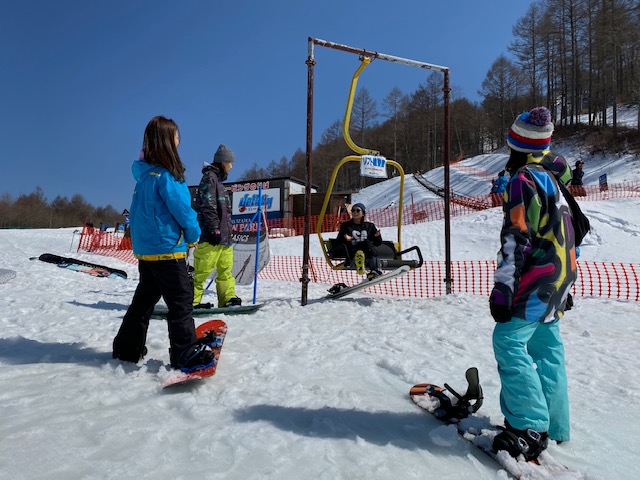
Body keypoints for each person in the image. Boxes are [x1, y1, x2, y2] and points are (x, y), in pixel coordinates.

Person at [489, 106, 577, 461]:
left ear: (515, 144)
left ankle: (528, 426)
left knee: (508, 340)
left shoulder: (523, 180)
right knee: (546, 346)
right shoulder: (554, 179)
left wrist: (503, 289)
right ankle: (556, 426)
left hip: (537, 277)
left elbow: (516, 237)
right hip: (561, 276)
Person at [113, 116, 214, 371]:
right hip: (169, 252)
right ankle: (185, 353)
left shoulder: (144, 177)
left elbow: (136, 215)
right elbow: (184, 211)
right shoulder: (168, 177)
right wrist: (193, 235)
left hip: (148, 254)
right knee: (181, 302)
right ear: (168, 141)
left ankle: (127, 347)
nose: (180, 140)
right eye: (177, 136)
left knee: (143, 302)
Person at [192, 144, 242, 308]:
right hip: (210, 236)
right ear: (222, 162)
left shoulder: (218, 181)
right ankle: (191, 301)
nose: (231, 166)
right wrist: (214, 229)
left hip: (224, 238)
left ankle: (227, 298)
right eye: (230, 162)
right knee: (201, 271)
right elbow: (208, 206)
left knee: (225, 270)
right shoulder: (209, 178)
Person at [335, 202, 383, 280]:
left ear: (363, 213)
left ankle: (367, 267)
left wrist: (377, 237)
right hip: (352, 251)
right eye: (353, 210)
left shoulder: (369, 226)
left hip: (367, 251)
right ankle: (369, 267)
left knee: (367, 244)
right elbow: (339, 241)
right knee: (365, 244)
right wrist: (346, 238)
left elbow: (378, 243)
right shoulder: (346, 226)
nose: (354, 212)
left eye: (357, 210)